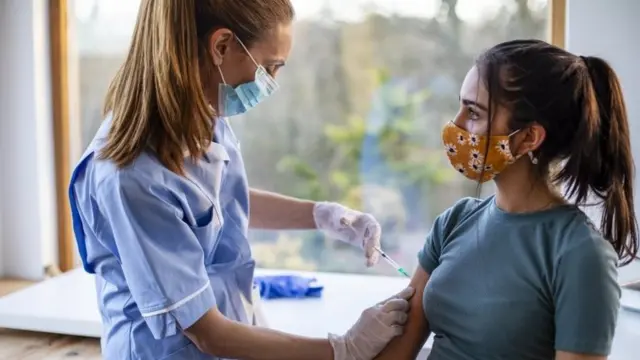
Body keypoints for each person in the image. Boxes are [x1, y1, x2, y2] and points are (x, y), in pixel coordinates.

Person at [67, 0, 414, 359]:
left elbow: (217, 203)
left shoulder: (205, 112)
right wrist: (345, 350)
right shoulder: (130, 176)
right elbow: (208, 333)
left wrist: (322, 215)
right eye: (269, 68)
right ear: (221, 46)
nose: (272, 83)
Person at [374, 39, 639, 360]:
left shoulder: (580, 253)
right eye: (461, 106)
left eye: (473, 112)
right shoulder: (455, 220)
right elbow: (397, 351)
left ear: (528, 138)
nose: (455, 124)